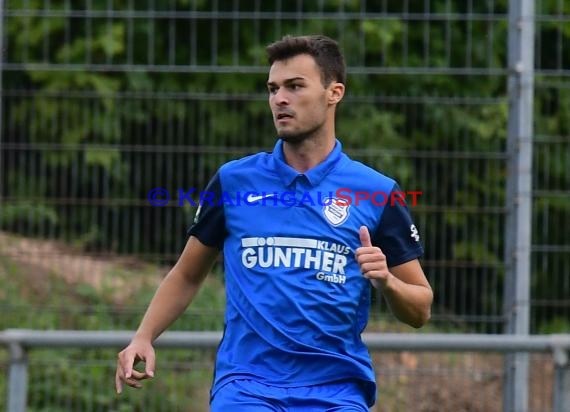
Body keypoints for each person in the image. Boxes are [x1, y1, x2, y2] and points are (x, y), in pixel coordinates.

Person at [115, 34, 433, 411]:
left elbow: (421, 309)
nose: (280, 99)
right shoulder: (235, 182)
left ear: (334, 93)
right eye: (273, 88)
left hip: (337, 390)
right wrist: (144, 336)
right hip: (247, 386)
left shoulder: (376, 192)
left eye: (295, 86)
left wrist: (388, 282)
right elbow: (187, 274)